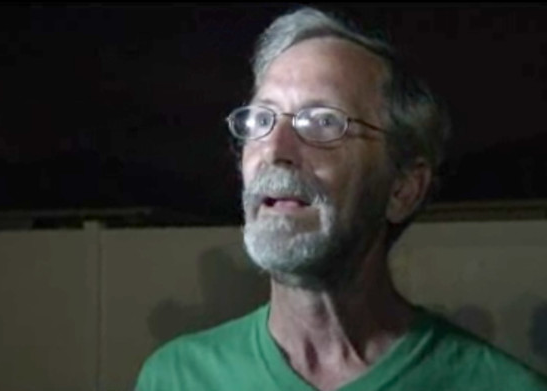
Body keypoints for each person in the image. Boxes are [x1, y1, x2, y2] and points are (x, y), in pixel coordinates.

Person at [135, 6, 547, 390]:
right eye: (262, 119)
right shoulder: (176, 377)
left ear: (403, 189)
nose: (276, 150)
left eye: (322, 122)